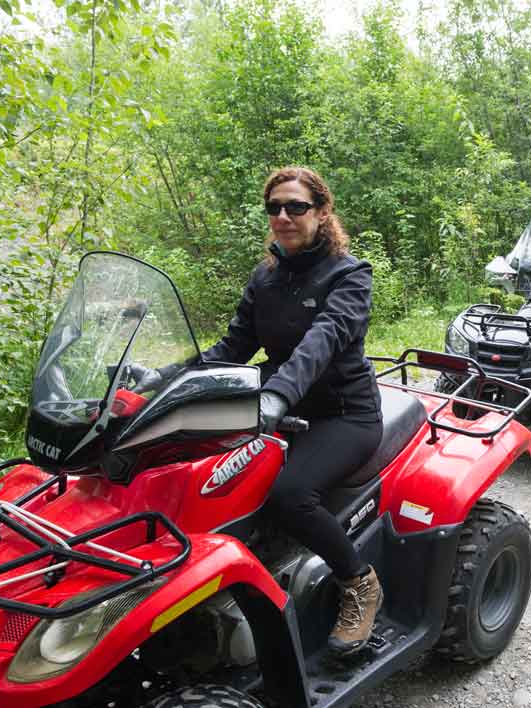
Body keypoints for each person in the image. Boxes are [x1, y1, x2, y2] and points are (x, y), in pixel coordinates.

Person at [200, 166, 384, 656]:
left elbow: (321, 342)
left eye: (296, 206)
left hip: (342, 412)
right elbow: (233, 347)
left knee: (291, 495)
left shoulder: (350, 275)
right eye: (274, 207)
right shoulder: (265, 277)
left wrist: (277, 395)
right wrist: (164, 378)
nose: (283, 216)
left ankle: (359, 584)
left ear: (322, 212)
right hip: (276, 408)